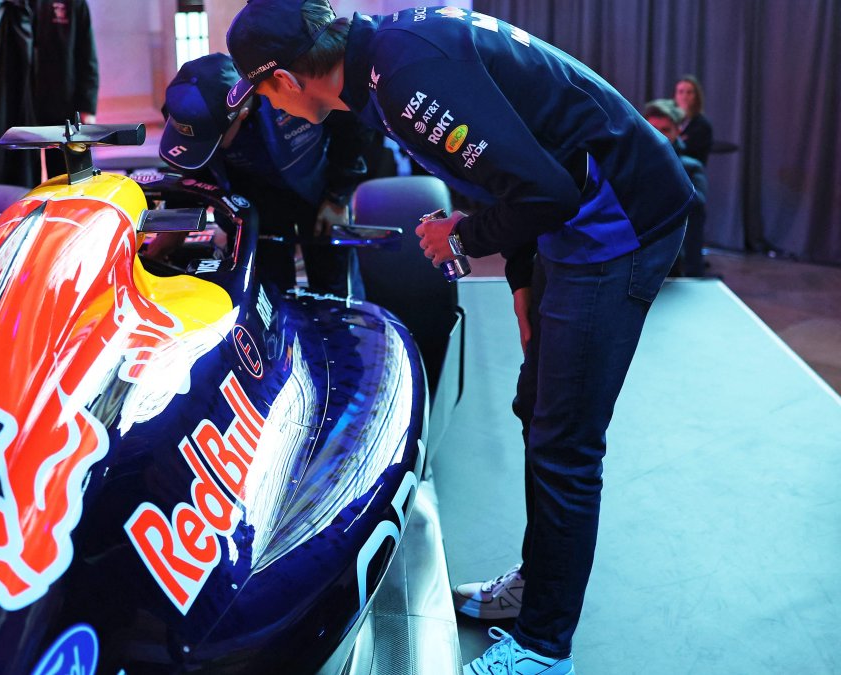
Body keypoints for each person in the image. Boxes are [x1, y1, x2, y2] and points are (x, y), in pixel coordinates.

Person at [225, 3, 693, 673]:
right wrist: (525, 282)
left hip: (619, 221)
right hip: (576, 216)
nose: (271, 110)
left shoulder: (405, 79)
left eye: (262, 93)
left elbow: (546, 192)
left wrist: (461, 237)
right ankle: (544, 580)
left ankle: (543, 648)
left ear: (288, 77)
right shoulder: (386, 63)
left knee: (565, 440)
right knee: (539, 411)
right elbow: (524, 158)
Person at [158, 53, 371, 297]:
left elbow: (353, 129)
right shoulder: (184, 108)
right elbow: (192, 167)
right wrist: (173, 227)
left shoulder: (288, 85)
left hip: (317, 186)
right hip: (252, 197)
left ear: (241, 115)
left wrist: (337, 197)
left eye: (210, 141)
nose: (205, 147)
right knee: (262, 289)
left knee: (333, 288)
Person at [33, 0, 98, 179]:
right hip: (27, 103)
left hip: (64, 102)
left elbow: (87, 56)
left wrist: (87, 106)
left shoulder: (75, 4)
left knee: (64, 175)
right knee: (24, 173)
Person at [645, 98, 708, 276]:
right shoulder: (634, 163)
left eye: (665, 130)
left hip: (679, 262)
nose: (659, 136)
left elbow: (697, 203)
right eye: (653, 130)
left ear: (678, 131)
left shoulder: (691, 167)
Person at [674, 74, 712, 166]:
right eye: (681, 92)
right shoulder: (670, 121)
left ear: (696, 97)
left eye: (689, 92)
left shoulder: (702, 125)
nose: (684, 96)